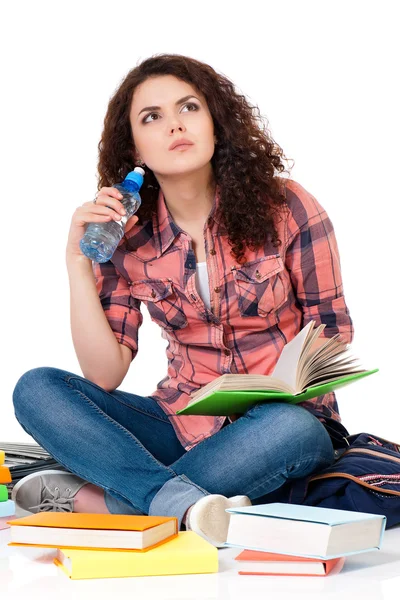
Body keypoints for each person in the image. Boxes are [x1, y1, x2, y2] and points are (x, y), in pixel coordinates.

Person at [11, 53, 353, 548]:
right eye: (153, 117)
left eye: (188, 108)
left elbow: (333, 330)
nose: (174, 125)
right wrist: (76, 261)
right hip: (178, 421)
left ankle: (114, 500)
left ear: (216, 121)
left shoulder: (288, 206)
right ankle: (185, 501)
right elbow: (103, 375)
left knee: (291, 430)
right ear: (136, 148)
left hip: (278, 424)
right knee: (36, 388)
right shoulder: (126, 236)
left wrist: (283, 383)